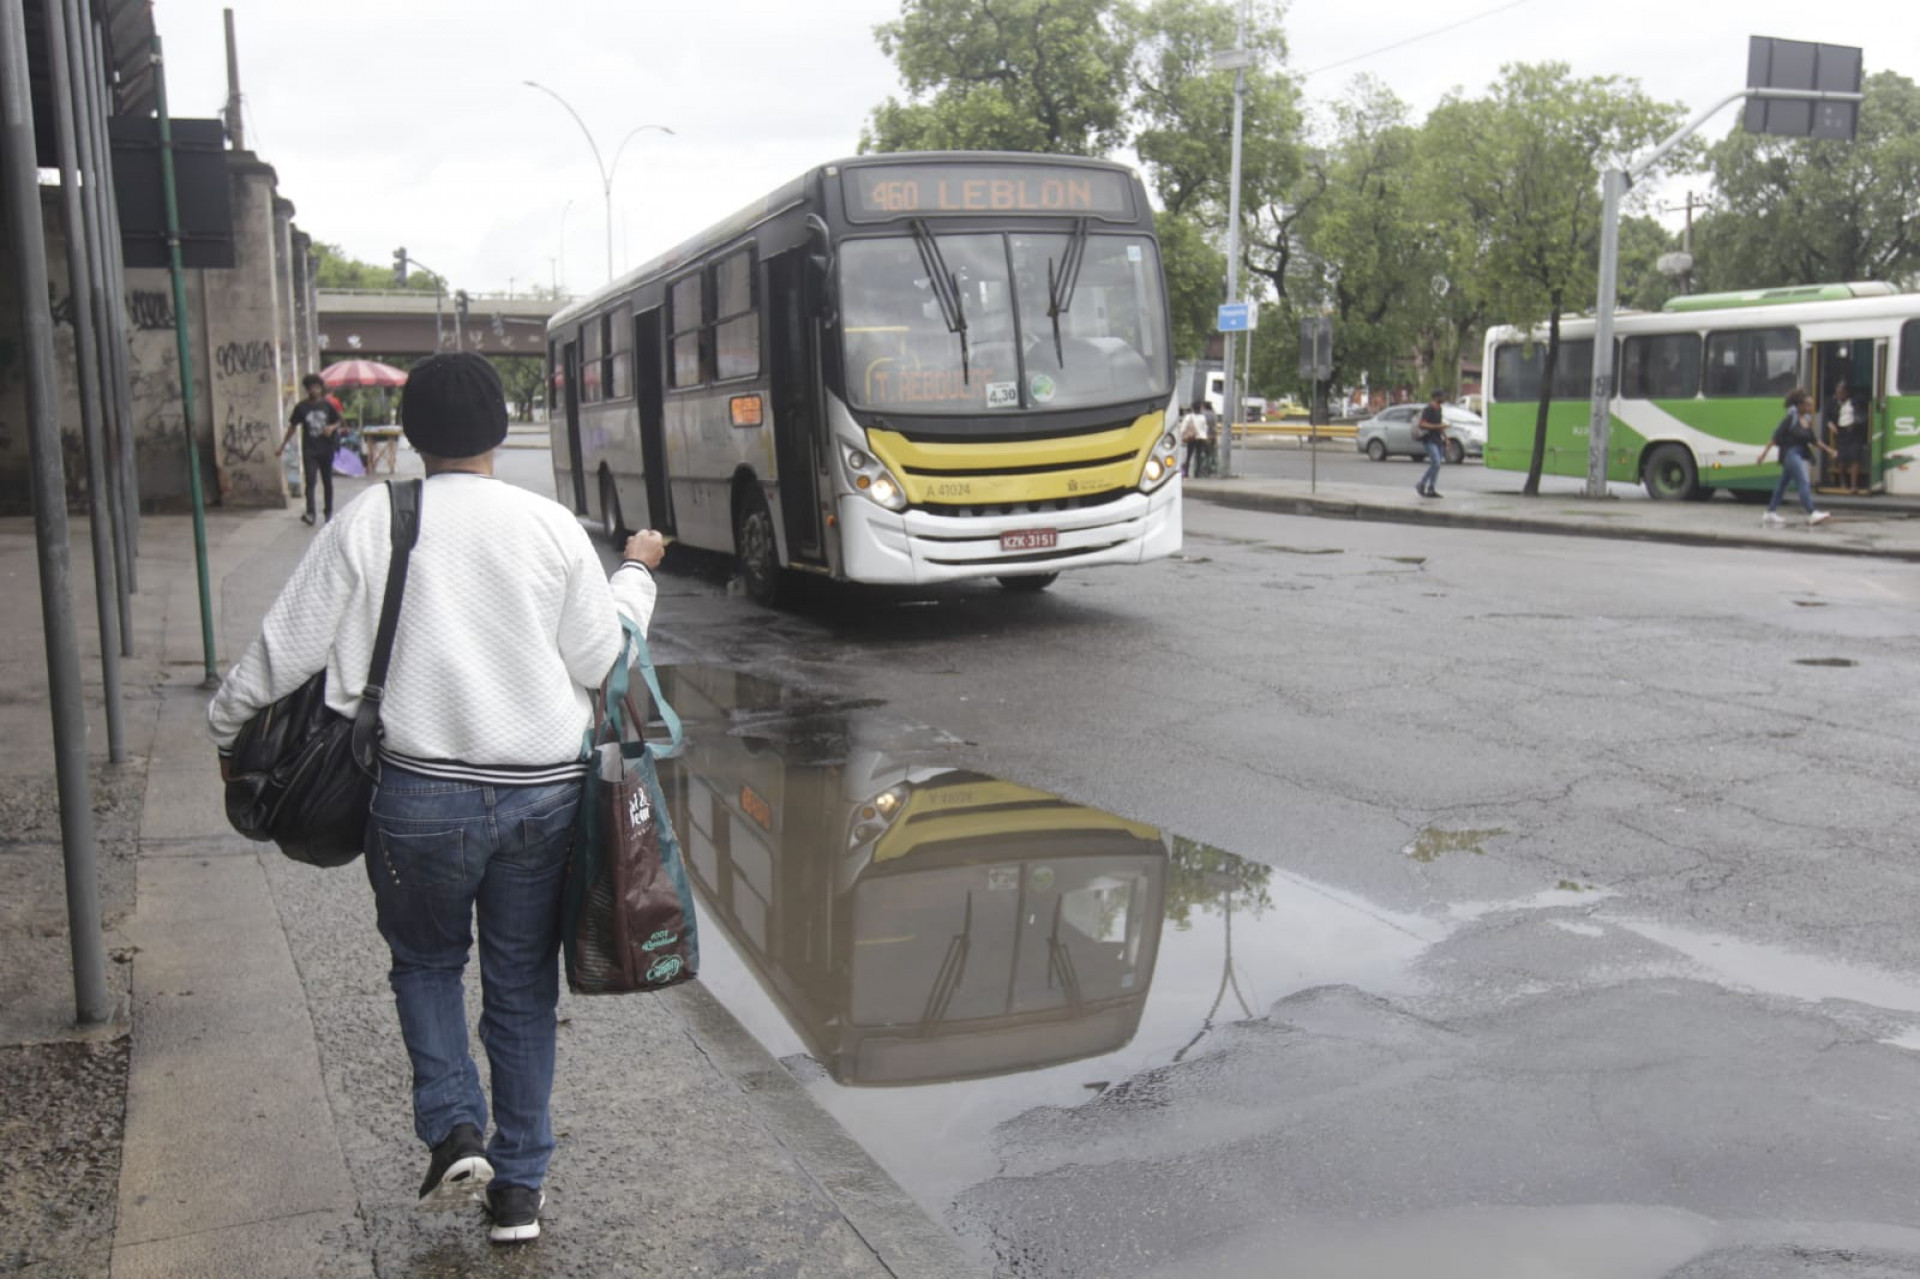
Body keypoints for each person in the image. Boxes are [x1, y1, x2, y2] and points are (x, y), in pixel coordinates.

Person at [210, 353, 666, 1244]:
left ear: (411, 433)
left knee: (423, 963)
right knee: (522, 989)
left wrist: (228, 733)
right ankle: (522, 1188)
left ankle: (456, 1129)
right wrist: (637, 573)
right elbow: (602, 663)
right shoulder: (549, 525)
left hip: (417, 796)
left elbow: (281, 650)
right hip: (542, 797)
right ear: (500, 429)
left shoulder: (373, 518)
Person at [1758, 386, 1835, 527]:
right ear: (1800, 406)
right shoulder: (1790, 420)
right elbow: (1775, 438)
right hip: (1791, 454)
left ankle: (1770, 512)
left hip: (1798, 455)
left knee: (1782, 484)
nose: (1811, 407)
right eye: (1808, 405)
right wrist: (1763, 455)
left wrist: (1830, 451)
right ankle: (1812, 513)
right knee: (1803, 481)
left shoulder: (1805, 421)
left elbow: (1815, 441)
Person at [279, 373, 342, 525]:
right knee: (310, 481)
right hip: (310, 449)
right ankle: (310, 513)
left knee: (327, 481)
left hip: (326, 448)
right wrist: (282, 446)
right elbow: (293, 427)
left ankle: (328, 512)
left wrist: (331, 427)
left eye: (317, 387)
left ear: (321, 389)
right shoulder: (302, 407)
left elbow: (339, 421)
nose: (315, 390)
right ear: (307, 390)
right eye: (311, 388)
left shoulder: (327, 405)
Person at [1825, 379, 1868, 495]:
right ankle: (1842, 483)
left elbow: (1864, 410)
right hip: (1841, 432)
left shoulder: (1855, 401)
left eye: (1842, 392)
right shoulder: (1833, 403)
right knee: (1841, 458)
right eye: (1838, 392)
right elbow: (1827, 417)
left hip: (1854, 431)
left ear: (1847, 392)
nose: (1839, 394)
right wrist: (1830, 425)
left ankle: (1854, 485)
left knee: (1855, 458)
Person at [1415, 390, 1448, 498]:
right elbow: (1422, 424)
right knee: (1436, 463)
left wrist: (1446, 438)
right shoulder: (1428, 409)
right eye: (1442, 396)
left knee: (1436, 465)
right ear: (1436, 397)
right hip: (1429, 440)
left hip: (1438, 439)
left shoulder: (1439, 409)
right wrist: (1437, 427)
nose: (1444, 398)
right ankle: (1422, 483)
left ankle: (1431, 489)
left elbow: (1439, 424)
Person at [1178, 403, 1207, 476]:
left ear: (1192, 408)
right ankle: (1197, 473)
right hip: (1201, 438)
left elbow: (1183, 428)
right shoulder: (1203, 417)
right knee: (1199, 455)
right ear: (1200, 408)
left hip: (1191, 438)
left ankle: (1186, 472)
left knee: (1189, 455)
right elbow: (1205, 428)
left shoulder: (1188, 417)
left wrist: (1182, 435)